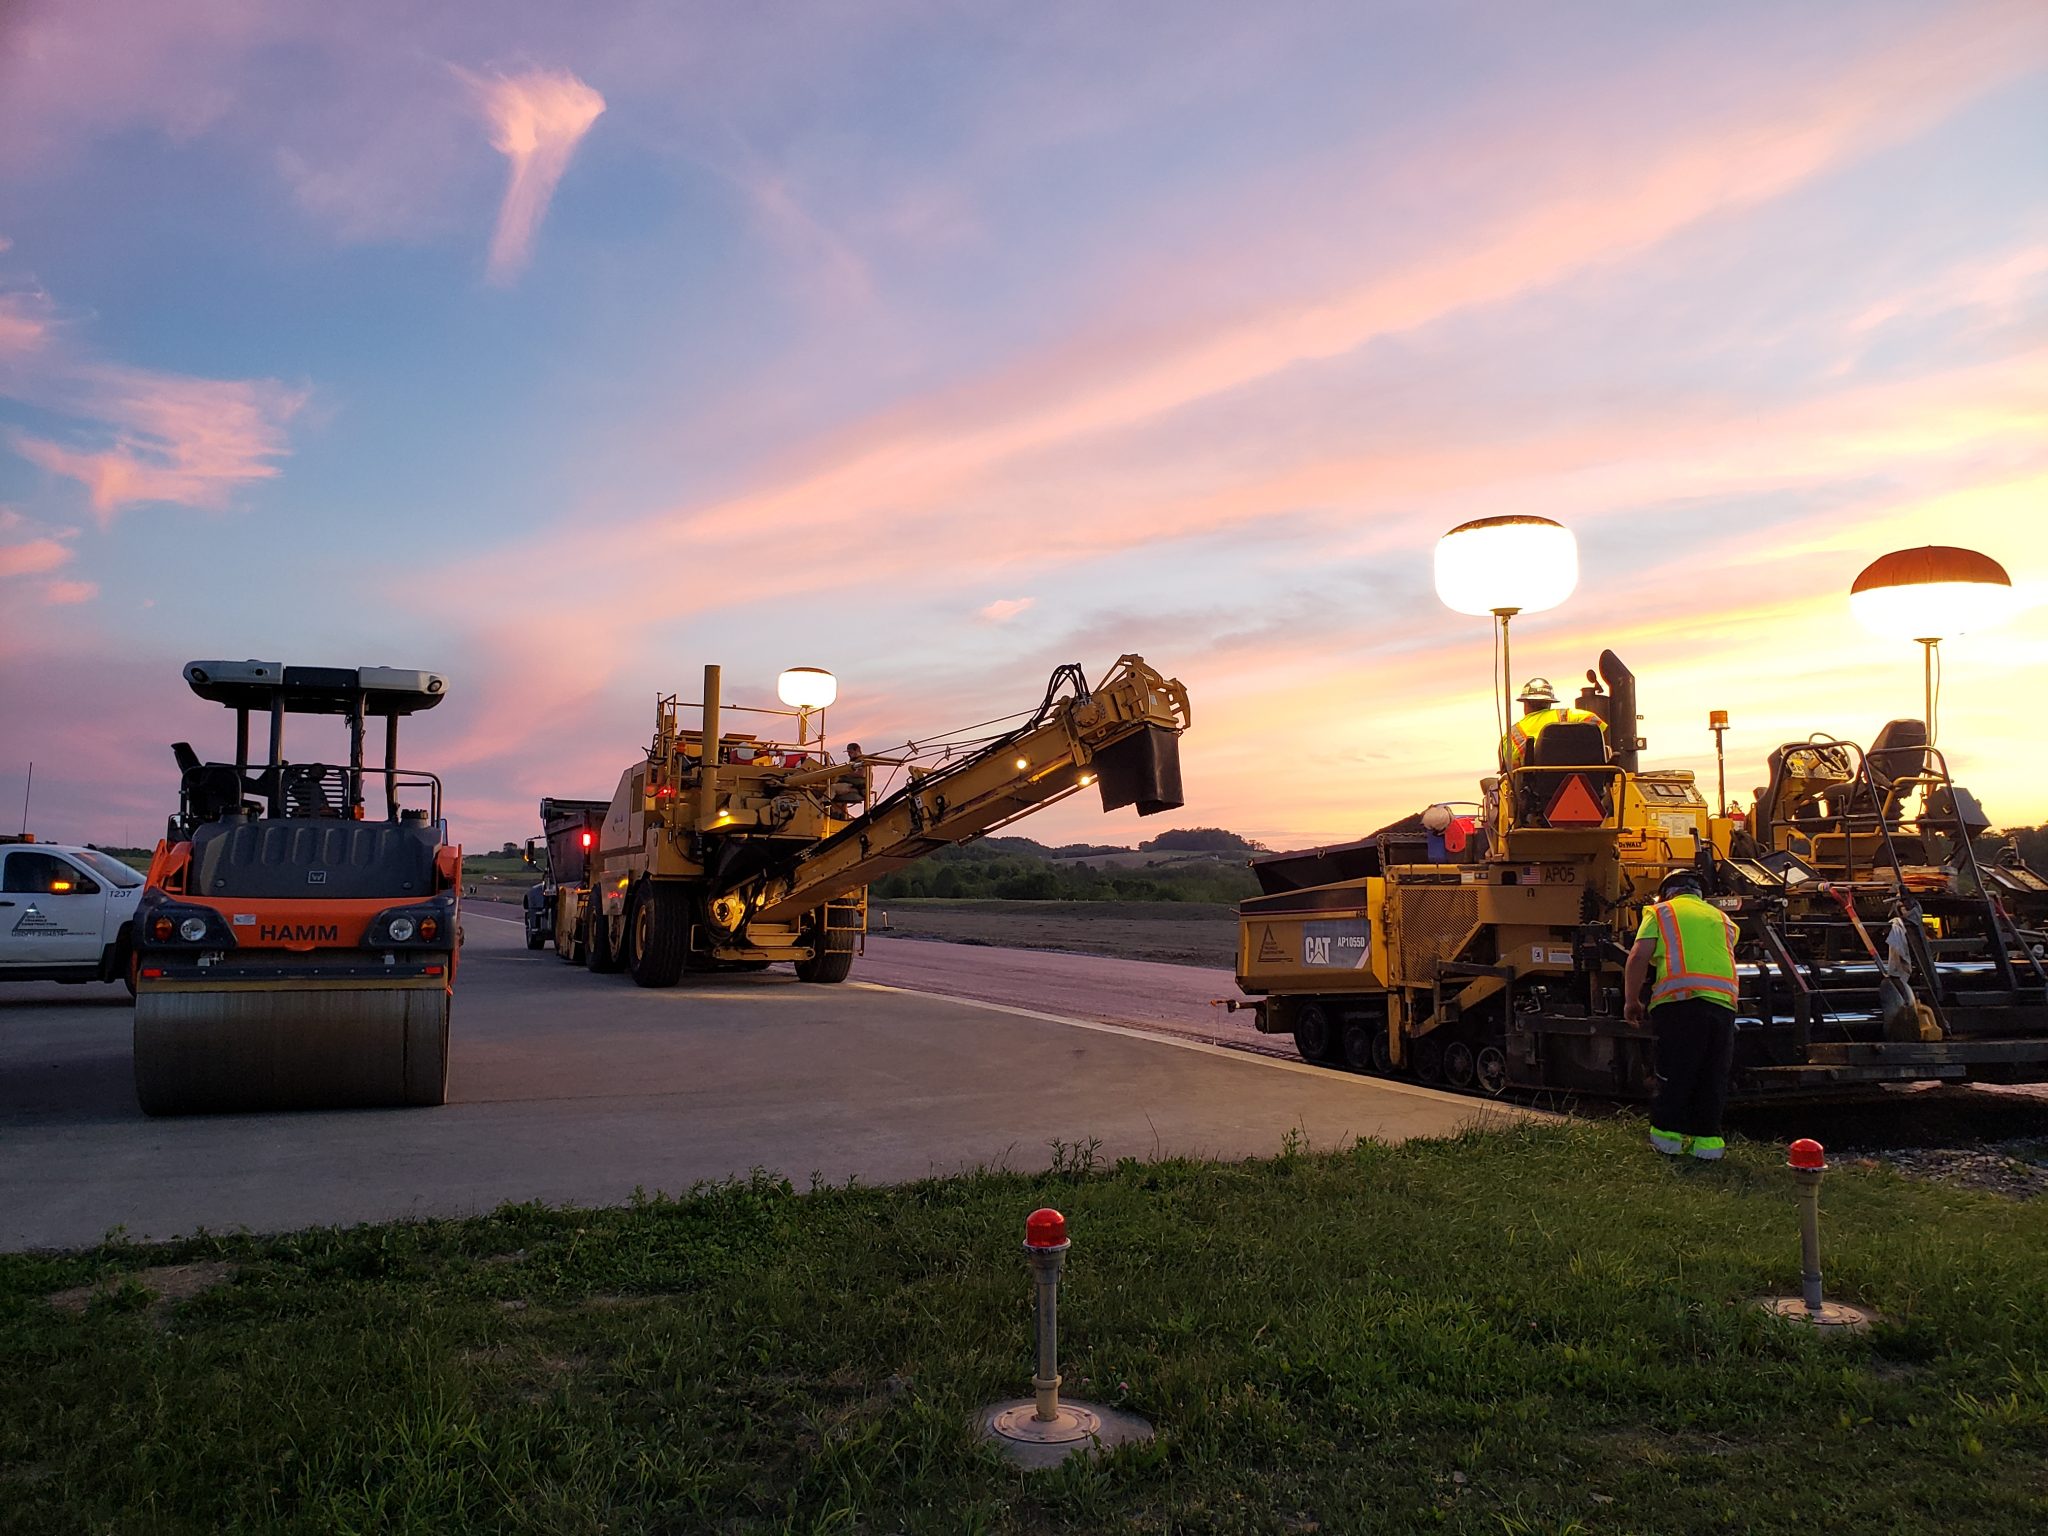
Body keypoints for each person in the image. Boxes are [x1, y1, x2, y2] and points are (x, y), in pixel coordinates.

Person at [1624, 869, 1741, 1159]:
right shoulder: (1723, 919)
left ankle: (1667, 1141)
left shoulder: (1660, 913)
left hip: (1681, 1002)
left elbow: (1638, 956)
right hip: (1724, 1005)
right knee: (1712, 1076)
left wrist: (1631, 1000)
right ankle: (1708, 1147)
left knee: (1675, 1073)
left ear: (1667, 893)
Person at [1499, 678, 1606, 771]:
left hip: (1535, 790)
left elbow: (1509, 771)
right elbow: (1597, 724)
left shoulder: (1512, 735)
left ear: (1526, 703)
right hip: (1582, 781)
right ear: (1549, 702)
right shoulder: (1568, 715)